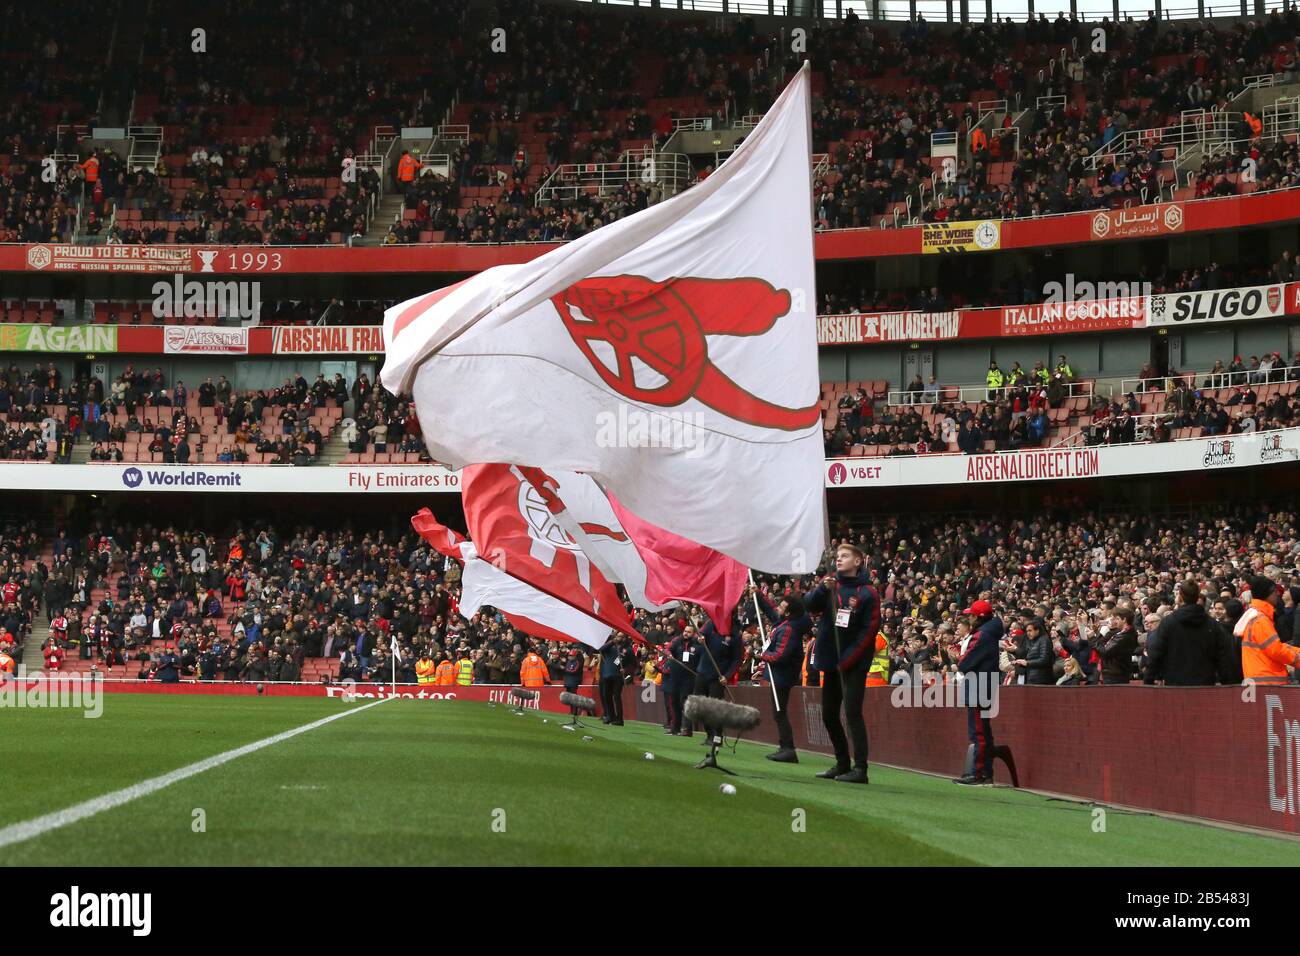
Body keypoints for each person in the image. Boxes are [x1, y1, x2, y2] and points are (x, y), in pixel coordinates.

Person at [801, 543, 880, 784]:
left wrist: (848, 660)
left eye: (845, 556)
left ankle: (861, 769)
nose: (838, 559)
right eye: (837, 556)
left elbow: (869, 631)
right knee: (828, 714)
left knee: (853, 713)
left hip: (853, 664)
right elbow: (810, 606)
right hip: (831, 661)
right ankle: (842, 762)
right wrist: (820, 590)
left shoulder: (867, 593)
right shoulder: (830, 585)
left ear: (858, 562)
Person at [755, 589, 813, 763]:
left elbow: (780, 655)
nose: (778, 608)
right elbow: (771, 610)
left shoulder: (788, 628)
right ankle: (784, 747)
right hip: (779, 675)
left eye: (781, 606)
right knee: (778, 712)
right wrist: (758, 595)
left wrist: (763, 655)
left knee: (780, 712)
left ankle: (788, 748)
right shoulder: (785, 624)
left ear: (788, 612)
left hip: (782, 675)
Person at [1144, 580, 1235, 685]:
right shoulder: (1212, 624)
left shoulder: (1168, 622)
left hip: (1176, 684)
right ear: (1197, 596)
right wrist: (1226, 682)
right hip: (1204, 684)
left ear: (1180, 597)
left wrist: (1148, 680)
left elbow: (1156, 653)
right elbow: (1222, 657)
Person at [954, 599, 1002, 786]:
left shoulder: (981, 635)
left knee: (979, 733)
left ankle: (978, 773)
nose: (969, 619)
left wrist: (958, 659)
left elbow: (964, 663)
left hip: (978, 687)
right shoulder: (991, 632)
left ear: (978, 617)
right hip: (985, 685)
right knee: (984, 732)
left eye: (971, 615)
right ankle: (985, 772)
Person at [1238, 575, 1300, 685]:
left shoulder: (1254, 615)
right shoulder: (1260, 620)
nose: (1278, 594)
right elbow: (1276, 650)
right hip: (1268, 683)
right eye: (1274, 591)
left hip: (1260, 681)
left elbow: (1275, 646)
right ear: (1266, 594)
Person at [665, 625, 700, 736]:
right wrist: (669, 655)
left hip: (689, 678)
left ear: (693, 633)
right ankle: (675, 727)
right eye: (685, 631)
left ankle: (687, 729)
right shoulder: (677, 642)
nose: (685, 633)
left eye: (689, 632)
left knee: (685, 703)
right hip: (676, 676)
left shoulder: (698, 644)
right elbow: (667, 650)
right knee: (674, 702)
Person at [1095, 606, 1139, 684]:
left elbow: (1105, 652)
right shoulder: (1122, 633)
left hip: (1115, 675)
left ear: (1124, 620)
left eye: (1117, 619)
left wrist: (1092, 638)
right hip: (1115, 673)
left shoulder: (1124, 635)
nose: (1115, 621)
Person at [598, 634, 632, 725]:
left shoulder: (627, 650)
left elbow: (632, 665)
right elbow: (600, 649)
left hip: (618, 676)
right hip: (607, 675)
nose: (619, 638)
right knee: (607, 696)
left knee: (616, 697)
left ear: (625, 638)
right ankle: (610, 716)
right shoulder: (609, 648)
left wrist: (626, 670)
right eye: (618, 636)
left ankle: (619, 719)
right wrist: (612, 642)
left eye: (621, 636)